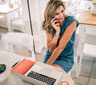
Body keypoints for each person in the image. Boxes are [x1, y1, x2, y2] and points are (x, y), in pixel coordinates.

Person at [42, 0, 79, 73]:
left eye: (62, 11)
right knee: (44, 75)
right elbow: (51, 49)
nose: (61, 15)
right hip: (51, 55)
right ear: (51, 15)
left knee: (48, 73)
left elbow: (60, 48)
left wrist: (45, 66)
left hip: (65, 58)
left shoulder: (71, 22)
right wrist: (57, 32)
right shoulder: (48, 24)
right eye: (57, 14)